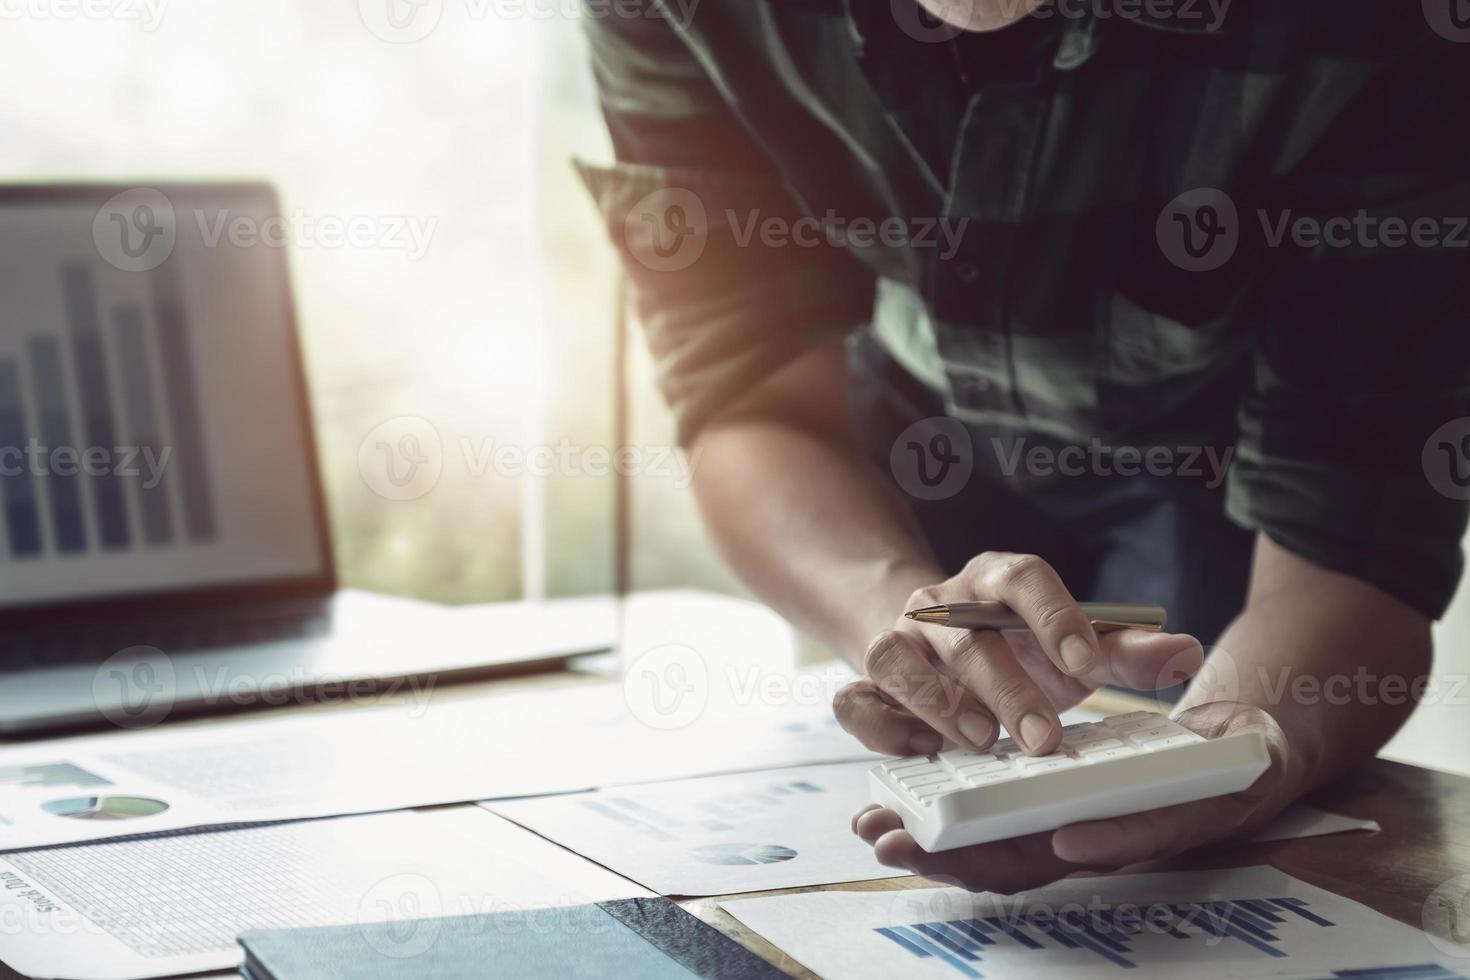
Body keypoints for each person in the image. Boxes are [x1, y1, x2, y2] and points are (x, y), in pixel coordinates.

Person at [577, 0, 1470, 892]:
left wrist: (1255, 744)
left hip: (1223, 463)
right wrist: (901, 624)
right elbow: (749, 393)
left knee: (1184, 840)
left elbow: (1351, 541)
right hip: (907, 421)